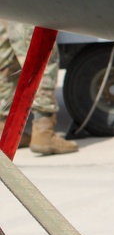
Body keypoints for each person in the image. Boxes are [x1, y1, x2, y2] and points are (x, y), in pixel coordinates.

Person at [0, 20, 79, 155]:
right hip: (24, 4)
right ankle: (43, 131)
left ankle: (4, 129)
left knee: (6, 62)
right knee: (40, 58)